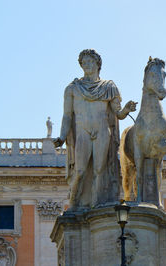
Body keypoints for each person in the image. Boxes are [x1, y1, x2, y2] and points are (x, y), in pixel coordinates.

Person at [53, 49, 137, 210]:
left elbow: (118, 114)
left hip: (103, 131)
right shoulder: (72, 88)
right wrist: (62, 137)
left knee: (100, 169)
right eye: (83, 62)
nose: (86, 65)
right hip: (83, 132)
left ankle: (97, 204)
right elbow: (67, 116)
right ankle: (74, 205)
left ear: (98, 64)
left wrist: (126, 109)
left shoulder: (109, 87)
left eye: (90, 61)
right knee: (80, 170)